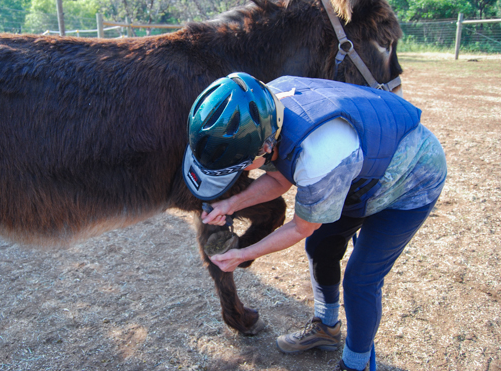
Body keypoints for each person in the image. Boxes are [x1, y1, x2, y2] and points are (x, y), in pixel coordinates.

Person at [182, 73, 446, 371]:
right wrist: (230, 204)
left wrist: (243, 254)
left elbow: (301, 226)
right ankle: (327, 328)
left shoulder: (320, 156)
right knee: (321, 246)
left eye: (240, 167)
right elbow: (280, 176)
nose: (241, 173)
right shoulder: (265, 108)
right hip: (357, 169)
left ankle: (355, 365)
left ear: (264, 147)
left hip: (411, 180)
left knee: (361, 280)